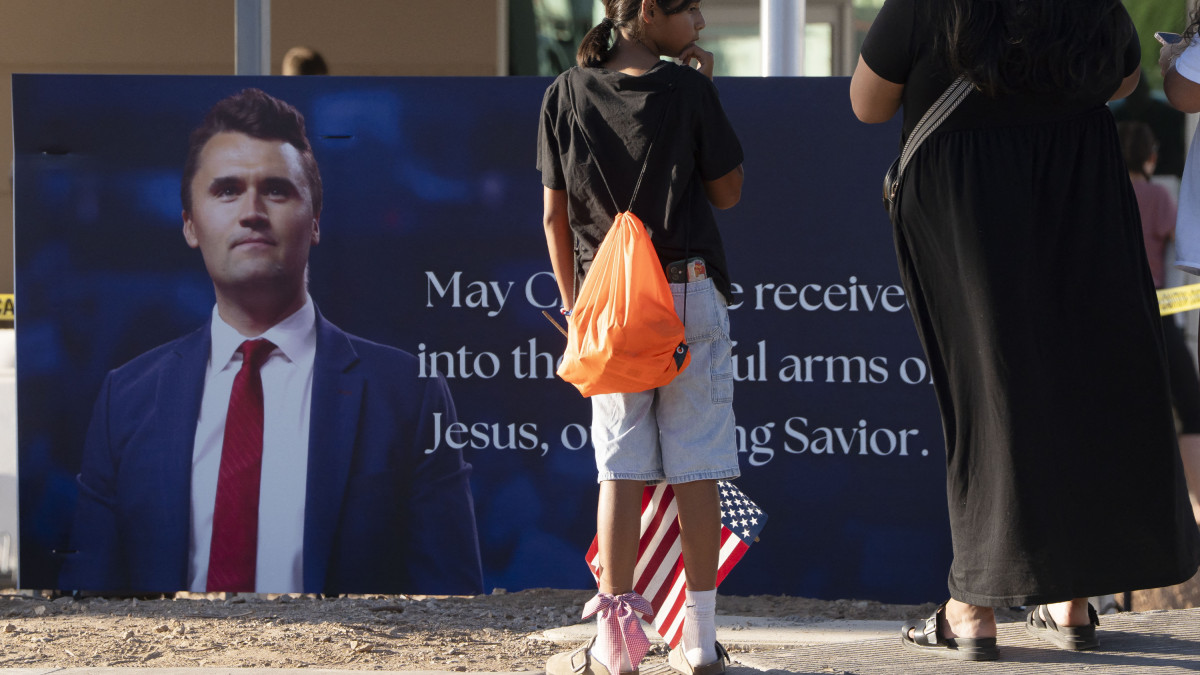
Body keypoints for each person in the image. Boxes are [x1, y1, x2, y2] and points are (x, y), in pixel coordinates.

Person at [851, 0, 1200, 661]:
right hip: (1080, 187)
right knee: (1079, 381)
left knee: (987, 391)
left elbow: (868, 102)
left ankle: (974, 607)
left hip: (965, 200)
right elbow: (1124, 78)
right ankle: (1071, 597)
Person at [58, 88, 484, 596]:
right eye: (226, 190)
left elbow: (455, 618)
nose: (252, 211)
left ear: (316, 222)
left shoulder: (407, 397)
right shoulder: (126, 400)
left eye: (277, 190)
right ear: (190, 224)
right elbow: (90, 607)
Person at [536, 1, 744, 674]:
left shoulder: (564, 92)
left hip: (611, 300)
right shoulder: (688, 90)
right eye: (691, 9)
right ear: (651, 10)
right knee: (698, 464)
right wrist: (703, 90)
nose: (701, 23)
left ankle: (616, 641)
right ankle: (700, 639)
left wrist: (576, 310)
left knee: (618, 464)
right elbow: (729, 192)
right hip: (685, 287)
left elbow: (553, 214)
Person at [1118, 120, 1200, 528]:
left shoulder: (1102, 195)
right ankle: (1198, 506)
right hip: (1157, 312)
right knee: (1190, 406)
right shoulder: (1158, 196)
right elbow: (1179, 242)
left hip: (1108, 317)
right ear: (1151, 157)